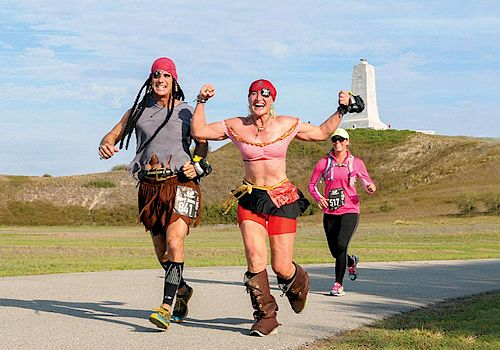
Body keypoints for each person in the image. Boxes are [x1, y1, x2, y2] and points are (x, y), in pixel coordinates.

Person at [190, 79, 355, 336]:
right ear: (248, 99)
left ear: (272, 100)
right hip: (251, 197)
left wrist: (341, 110)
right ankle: (266, 316)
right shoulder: (235, 125)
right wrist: (201, 101)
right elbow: (199, 131)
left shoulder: (287, 124)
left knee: (281, 266)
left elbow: (322, 132)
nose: (259, 98)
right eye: (254, 94)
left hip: (282, 198)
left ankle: (298, 281)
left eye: (265, 94)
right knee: (255, 256)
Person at [98, 57, 212, 330]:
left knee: (175, 242)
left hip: (181, 183)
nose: (160, 80)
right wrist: (105, 145)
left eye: (166, 76)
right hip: (150, 187)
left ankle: (165, 306)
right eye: (156, 76)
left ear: (175, 81)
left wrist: (196, 165)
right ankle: (182, 289)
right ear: (150, 81)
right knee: (162, 252)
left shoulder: (185, 111)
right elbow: (110, 136)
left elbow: (202, 143)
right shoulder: (136, 112)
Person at [308, 128, 376, 296]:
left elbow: (368, 182)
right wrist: (319, 198)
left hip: (350, 209)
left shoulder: (356, 162)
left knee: (341, 244)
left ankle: (338, 284)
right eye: (334, 140)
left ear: (347, 142)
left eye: (341, 139)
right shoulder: (324, 163)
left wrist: (370, 187)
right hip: (330, 210)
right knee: (334, 250)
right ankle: (351, 261)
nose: (337, 143)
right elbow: (312, 185)